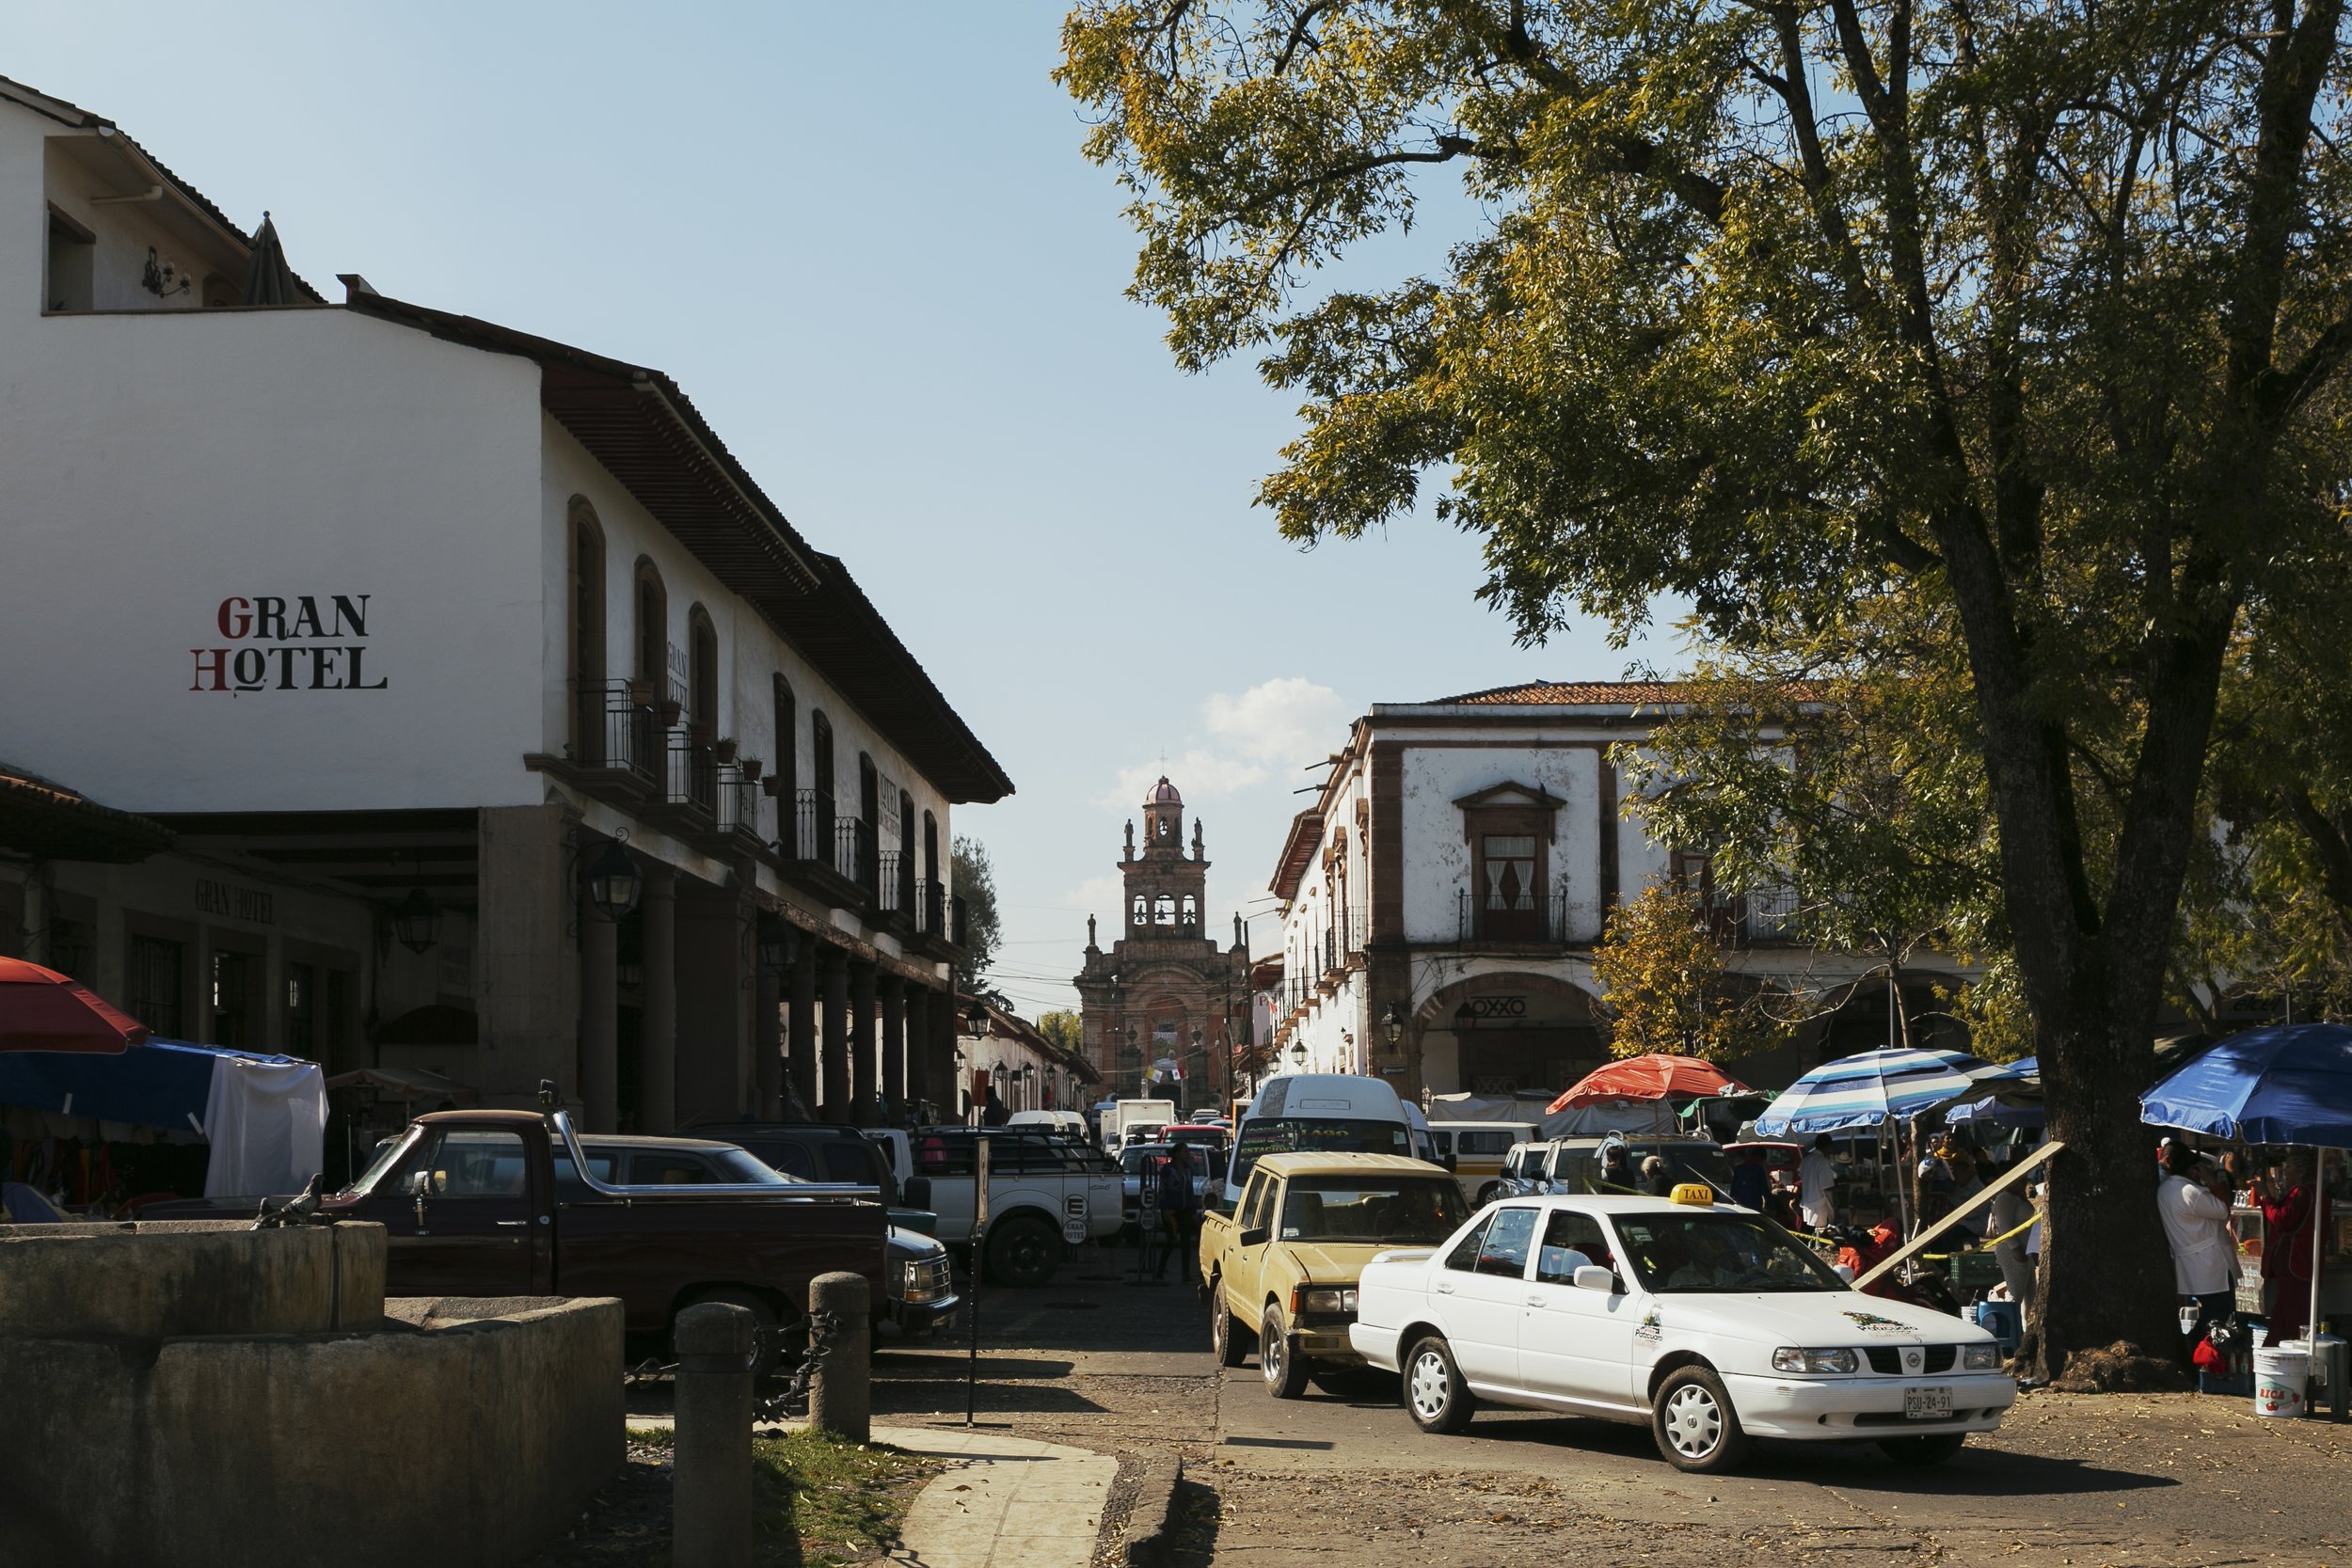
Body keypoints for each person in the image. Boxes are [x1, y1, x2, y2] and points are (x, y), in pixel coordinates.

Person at [2156, 1141, 2236, 1365]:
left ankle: (2196, 1355)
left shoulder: (2164, 1190)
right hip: (2210, 1263)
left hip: (2192, 1261)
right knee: (2217, 1316)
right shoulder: (2189, 1191)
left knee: (2210, 1314)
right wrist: (2212, 1181)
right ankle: (2200, 1358)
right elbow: (2223, 1210)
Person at [2249, 1151, 2326, 1343]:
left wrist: (2266, 1197)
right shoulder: (2310, 1192)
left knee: (2295, 1320)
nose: (2285, 1172)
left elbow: (2283, 1220)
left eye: (2289, 1167)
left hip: (2295, 1262)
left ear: (2301, 1171)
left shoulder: (2303, 1192)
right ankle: (2270, 1354)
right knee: (2282, 1320)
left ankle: (2299, 1361)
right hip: (2296, 1263)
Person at [1986, 1158, 2037, 1309]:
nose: (2024, 1182)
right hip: (2012, 1251)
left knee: (2032, 1296)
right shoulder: (2004, 1197)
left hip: (2026, 1252)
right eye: (2020, 1179)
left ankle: (2026, 1328)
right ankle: (2009, 1327)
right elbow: (2005, 1227)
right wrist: (2017, 1250)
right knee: (2015, 1295)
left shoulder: (2019, 1198)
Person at [1152, 1144, 1202, 1281]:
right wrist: (1165, 1209)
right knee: (1170, 1241)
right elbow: (1162, 1191)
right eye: (1185, 1151)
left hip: (1185, 1210)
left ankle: (1185, 1274)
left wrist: (1193, 1209)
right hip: (1172, 1211)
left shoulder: (1188, 1170)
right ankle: (1160, 1271)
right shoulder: (1168, 1170)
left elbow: (1190, 1190)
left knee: (1186, 1242)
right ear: (1178, 1153)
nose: (1188, 1154)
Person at [1799, 1135, 1839, 1231]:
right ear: (1828, 1147)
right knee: (1821, 1232)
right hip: (1819, 1205)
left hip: (1808, 1202)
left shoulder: (1806, 1160)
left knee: (1814, 1231)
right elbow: (1826, 1186)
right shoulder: (1822, 1161)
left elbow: (1800, 1174)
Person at [1728, 1148, 1771, 1212]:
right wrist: (1770, 1206)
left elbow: (1733, 1187)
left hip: (1739, 1204)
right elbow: (1764, 1188)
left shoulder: (1739, 1168)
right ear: (1761, 1158)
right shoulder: (1759, 1169)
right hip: (1754, 1204)